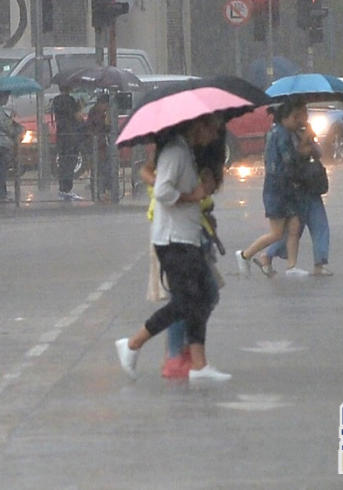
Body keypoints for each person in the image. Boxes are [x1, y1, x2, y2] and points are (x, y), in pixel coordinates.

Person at [115, 113, 231, 383]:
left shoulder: (185, 151)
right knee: (185, 301)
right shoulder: (176, 152)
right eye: (212, 128)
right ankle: (132, 344)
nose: (214, 136)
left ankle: (199, 365)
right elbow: (163, 192)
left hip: (186, 236)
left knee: (201, 297)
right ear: (197, 125)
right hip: (173, 240)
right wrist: (193, 195)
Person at [236, 100, 306, 276]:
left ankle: (291, 266)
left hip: (283, 188)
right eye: (296, 117)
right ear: (285, 118)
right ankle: (245, 255)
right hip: (278, 190)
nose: (300, 120)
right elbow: (289, 161)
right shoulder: (282, 135)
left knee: (294, 227)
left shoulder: (279, 132)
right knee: (276, 233)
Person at [260, 122, 332, 276]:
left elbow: (318, 152)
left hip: (311, 186)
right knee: (293, 230)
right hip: (296, 189)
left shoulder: (305, 131)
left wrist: (310, 138)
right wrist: (305, 140)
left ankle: (320, 263)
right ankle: (268, 255)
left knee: (320, 225)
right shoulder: (283, 135)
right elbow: (296, 157)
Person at [0, 91, 23, 202]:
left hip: (0, 143)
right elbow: (5, 125)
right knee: (1, 170)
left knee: (1, 169)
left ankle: (2, 193)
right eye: (5, 96)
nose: (7, 98)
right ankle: (1, 195)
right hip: (0, 143)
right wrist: (14, 125)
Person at [51, 83, 84, 201]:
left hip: (61, 135)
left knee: (63, 161)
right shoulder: (71, 101)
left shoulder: (56, 101)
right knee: (70, 161)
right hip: (72, 135)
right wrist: (80, 106)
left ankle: (62, 188)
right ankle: (67, 189)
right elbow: (77, 117)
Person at [86, 93, 112, 200]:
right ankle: (99, 190)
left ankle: (101, 190)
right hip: (98, 145)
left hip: (101, 145)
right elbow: (98, 128)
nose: (106, 107)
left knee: (103, 168)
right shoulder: (97, 113)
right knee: (100, 169)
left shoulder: (98, 112)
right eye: (106, 105)